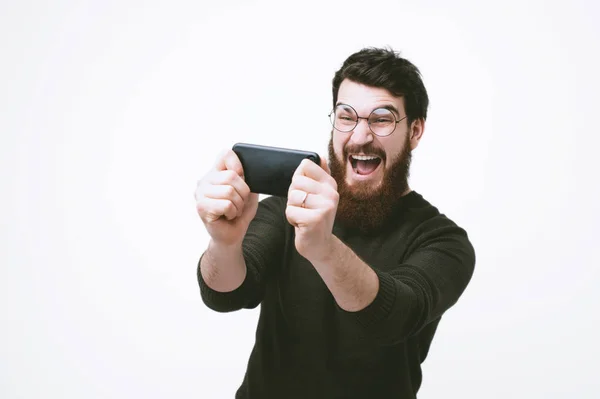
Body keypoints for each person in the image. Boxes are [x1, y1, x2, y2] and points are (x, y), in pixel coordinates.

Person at [194, 47, 476, 399]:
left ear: (415, 131)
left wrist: (322, 248)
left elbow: (394, 317)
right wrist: (224, 243)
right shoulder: (286, 207)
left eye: (382, 118)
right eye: (347, 116)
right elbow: (226, 294)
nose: (360, 136)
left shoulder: (442, 241)